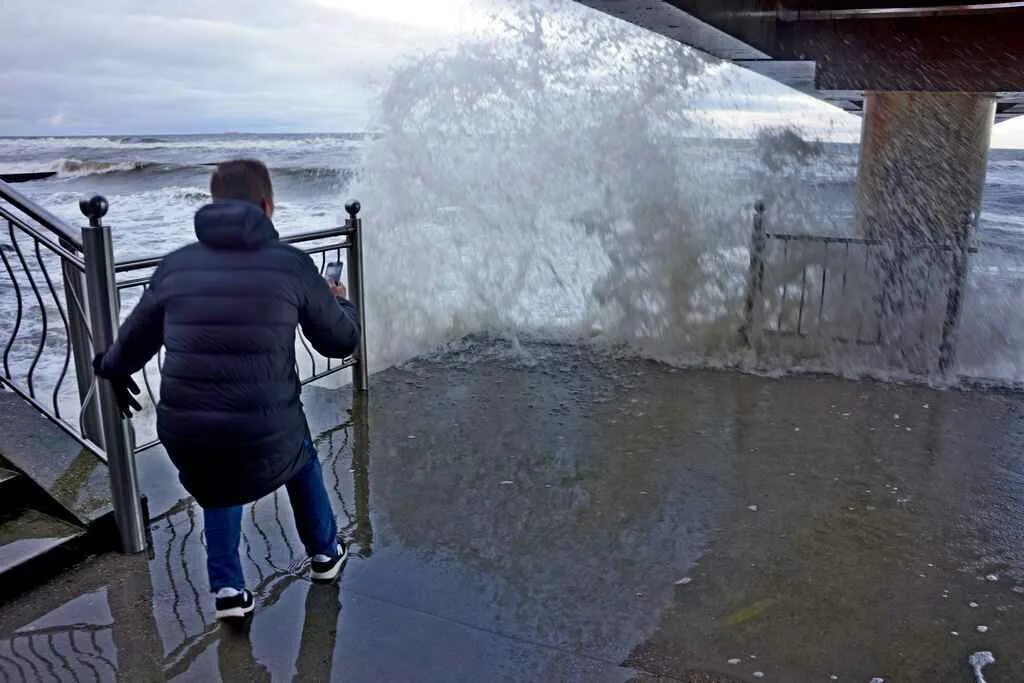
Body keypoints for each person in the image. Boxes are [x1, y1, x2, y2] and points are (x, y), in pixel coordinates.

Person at [94, 159, 360, 620]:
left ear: (213, 205)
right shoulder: (292, 267)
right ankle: (324, 554)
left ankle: (229, 591)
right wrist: (342, 302)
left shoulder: (174, 267)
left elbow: (127, 348)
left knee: (218, 478)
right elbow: (340, 342)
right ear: (266, 206)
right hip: (266, 429)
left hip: (185, 433)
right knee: (298, 452)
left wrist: (108, 369)